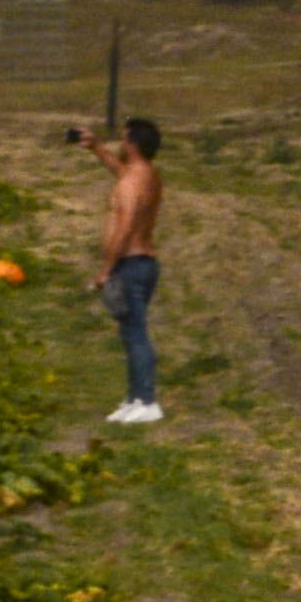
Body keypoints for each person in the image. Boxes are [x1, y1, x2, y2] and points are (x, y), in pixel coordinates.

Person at [99, 117, 165, 425]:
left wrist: (107, 267)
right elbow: (120, 171)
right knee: (130, 332)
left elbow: (125, 225)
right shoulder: (147, 175)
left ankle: (148, 400)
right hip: (145, 262)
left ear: (133, 145)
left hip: (130, 263)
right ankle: (134, 397)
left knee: (136, 334)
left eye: (124, 140)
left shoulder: (130, 182)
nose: (121, 145)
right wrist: (95, 148)